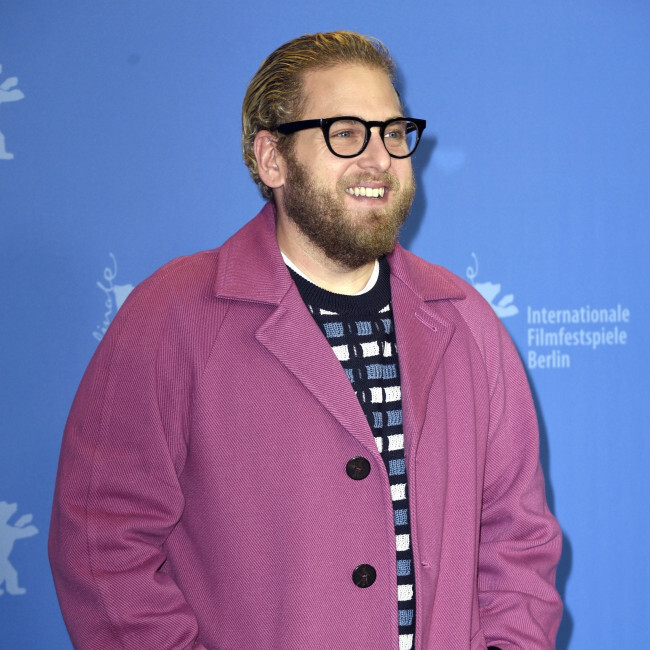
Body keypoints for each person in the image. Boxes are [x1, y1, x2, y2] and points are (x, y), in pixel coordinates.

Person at [49, 31, 562, 650]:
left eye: (393, 133)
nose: (379, 159)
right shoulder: (176, 315)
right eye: (345, 133)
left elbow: (516, 541)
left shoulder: (465, 322)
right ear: (272, 158)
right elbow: (103, 543)